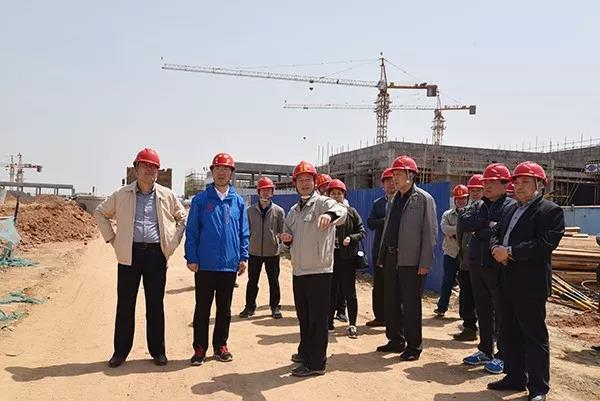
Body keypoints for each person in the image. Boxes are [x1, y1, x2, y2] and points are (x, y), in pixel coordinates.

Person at [94, 148, 186, 368]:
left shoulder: (166, 195)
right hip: (129, 255)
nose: (149, 170)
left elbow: (182, 218)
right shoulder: (121, 194)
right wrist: (113, 239)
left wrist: (171, 244)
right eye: (144, 165)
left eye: (153, 167)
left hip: (156, 255)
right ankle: (120, 352)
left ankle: (158, 351)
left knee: (155, 305)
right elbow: (100, 213)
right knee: (125, 305)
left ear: (158, 171)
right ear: (136, 169)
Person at [488, 161, 564, 401]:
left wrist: (510, 252)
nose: (519, 186)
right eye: (517, 182)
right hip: (506, 280)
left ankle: (538, 387)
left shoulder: (550, 211)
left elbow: (544, 245)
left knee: (534, 336)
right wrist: (495, 248)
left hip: (530, 285)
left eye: (526, 182)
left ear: (539, 184)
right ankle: (515, 377)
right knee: (509, 333)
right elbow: (495, 233)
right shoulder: (511, 209)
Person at [281, 161, 347, 377]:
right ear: (295, 184)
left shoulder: (323, 203)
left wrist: (330, 216)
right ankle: (305, 352)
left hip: (320, 272)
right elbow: (286, 236)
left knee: (318, 320)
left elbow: (341, 210)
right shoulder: (293, 211)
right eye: (300, 180)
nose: (304, 183)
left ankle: (316, 363)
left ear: (315, 182)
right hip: (299, 271)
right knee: (304, 317)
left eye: (308, 179)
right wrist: (287, 239)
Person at [185, 152, 249, 365]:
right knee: (202, 308)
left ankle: (221, 345)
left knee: (224, 309)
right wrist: (192, 257)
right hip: (205, 264)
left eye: (226, 169)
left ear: (231, 173)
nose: (221, 172)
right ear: (212, 172)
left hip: (229, 266)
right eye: (218, 168)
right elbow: (192, 230)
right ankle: (199, 348)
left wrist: (243, 256)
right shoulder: (201, 200)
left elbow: (243, 232)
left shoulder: (238, 202)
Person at [376, 155, 437, 361]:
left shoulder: (423, 199)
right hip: (392, 257)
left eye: (399, 174)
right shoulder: (395, 199)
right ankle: (395, 340)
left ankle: (414, 346)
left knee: (411, 305)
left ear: (411, 175)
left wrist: (425, 262)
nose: (395, 178)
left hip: (412, 261)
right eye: (393, 174)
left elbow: (430, 232)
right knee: (391, 301)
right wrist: (382, 255)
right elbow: (388, 229)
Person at [459, 163, 516, 374]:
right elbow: (464, 222)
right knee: (482, 309)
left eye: (492, 182)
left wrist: (482, 228)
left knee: (501, 312)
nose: (487, 186)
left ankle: (503, 354)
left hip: (497, 267)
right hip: (477, 264)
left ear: (504, 183)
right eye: (485, 182)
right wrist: (486, 224)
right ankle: (485, 349)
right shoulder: (480, 205)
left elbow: (499, 232)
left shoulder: (510, 207)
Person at [239, 176, 285, 319]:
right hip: (254, 252)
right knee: (252, 281)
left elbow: (281, 231)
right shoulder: (250, 211)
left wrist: (280, 244)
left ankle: (275, 307)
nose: (265, 193)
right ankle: (249, 307)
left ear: (272, 192)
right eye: (263, 190)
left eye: (268, 190)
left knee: (274, 281)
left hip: (272, 252)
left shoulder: (279, 211)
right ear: (258, 191)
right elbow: (246, 231)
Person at [327, 179, 366, 338]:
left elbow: (362, 232)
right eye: (333, 193)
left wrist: (351, 238)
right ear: (328, 195)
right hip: (329, 258)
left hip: (347, 257)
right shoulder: (324, 213)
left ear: (344, 195)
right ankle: (329, 324)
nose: (336, 196)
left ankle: (352, 324)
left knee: (350, 292)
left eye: (339, 193)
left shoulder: (351, 212)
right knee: (331, 291)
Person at [453, 174, 484, 341]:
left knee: (486, 299)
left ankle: (489, 332)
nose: (476, 193)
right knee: (467, 296)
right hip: (466, 262)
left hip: (485, 264)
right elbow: (460, 237)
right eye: (473, 190)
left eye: (479, 190)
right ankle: (469, 328)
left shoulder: (490, 211)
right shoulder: (465, 212)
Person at [366, 167, 396, 327]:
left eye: (393, 180)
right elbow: (370, 223)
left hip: (397, 250)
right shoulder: (378, 204)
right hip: (379, 250)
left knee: (395, 286)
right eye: (387, 181)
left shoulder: (403, 202)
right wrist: (386, 220)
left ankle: (394, 319)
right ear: (382, 185)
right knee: (379, 285)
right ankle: (380, 317)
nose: (391, 184)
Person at [316, 172, 348, 323]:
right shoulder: (322, 206)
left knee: (342, 283)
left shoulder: (347, 209)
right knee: (330, 284)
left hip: (343, 251)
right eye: (324, 188)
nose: (335, 195)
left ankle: (341, 310)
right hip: (328, 251)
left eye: (338, 193)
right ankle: (328, 314)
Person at [434, 184, 469, 317]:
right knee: (447, 281)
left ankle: (464, 312)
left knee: (465, 284)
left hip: (466, 254)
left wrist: (455, 230)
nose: (461, 201)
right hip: (450, 252)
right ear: (454, 200)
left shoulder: (472, 214)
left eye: (463, 198)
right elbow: (445, 229)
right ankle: (442, 308)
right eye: (458, 198)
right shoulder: (447, 214)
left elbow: (472, 229)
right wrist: (461, 228)